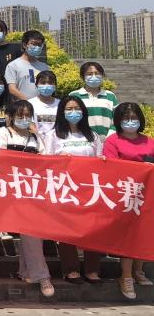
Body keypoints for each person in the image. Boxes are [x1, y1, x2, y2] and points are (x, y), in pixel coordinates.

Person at [0, 100, 54, 298]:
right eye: (20, 115)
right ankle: (42, 275)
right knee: (30, 231)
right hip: (8, 190)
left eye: (28, 115)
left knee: (31, 231)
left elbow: (46, 160)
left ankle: (28, 271)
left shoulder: (35, 137)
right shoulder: (3, 133)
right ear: (11, 116)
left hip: (31, 190)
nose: (24, 118)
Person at [47, 95, 104, 285]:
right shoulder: (53, 135)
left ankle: (92, 270)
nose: (73, 112)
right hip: (65, 189)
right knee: (67, 229)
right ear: (62, 112)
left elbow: (100, 159)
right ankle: (71, 269)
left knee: (92, 229)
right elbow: (46, 161)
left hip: (89, 189)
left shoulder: (92, 135)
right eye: (69, 109)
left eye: (77, 109)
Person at [103, 103, 154, 300]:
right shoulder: (113, 140)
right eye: (126, 118)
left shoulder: (149, 141)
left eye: (134, 118)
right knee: (129, 236)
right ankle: (126, 276)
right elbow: (112, 166)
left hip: (147, 194)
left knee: (144, 232)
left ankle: (138, 270)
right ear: (118, 121)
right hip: (125, 194)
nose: (130, 122)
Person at [69, 62, 118, 138]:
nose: (94, 76)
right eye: (89, 74)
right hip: (83, 139)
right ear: (82, 77)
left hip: (106, 139)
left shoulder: (110, 96)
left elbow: (117, 118)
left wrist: (110, 135)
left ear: (102, 75)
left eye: (97, 73)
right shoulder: (74, 95)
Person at [6, 30, 49, 101]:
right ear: (24, 45)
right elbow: (12, 89)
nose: (37, 47)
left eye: (39, 45)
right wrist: (29, 102)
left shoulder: (44, 67)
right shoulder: (13, 65)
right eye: (34, 44)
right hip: (22, 105)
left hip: (42, 105)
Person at [28, 70, 59, 141]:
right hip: (37, 141)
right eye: (43, 82)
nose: (46, 85)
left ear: (55, 85)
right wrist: (40, 138)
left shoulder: (61, 104)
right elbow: (29, 124)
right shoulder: (30, 103)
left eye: (50, 82)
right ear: (36, 85)